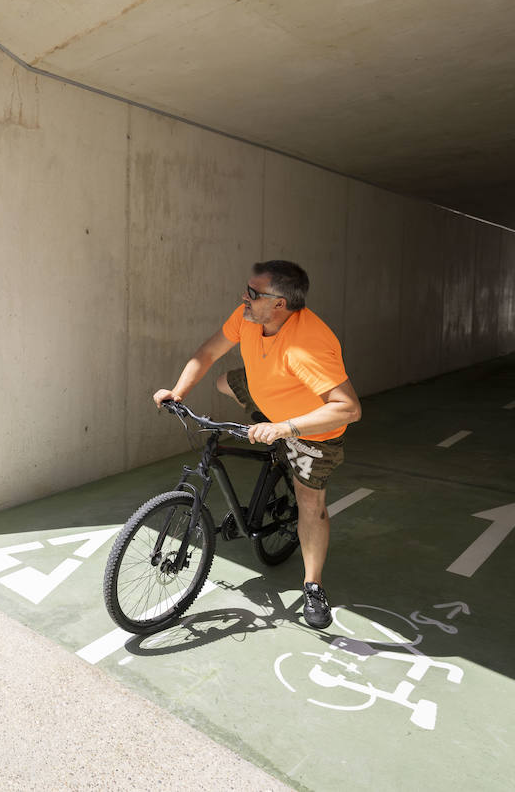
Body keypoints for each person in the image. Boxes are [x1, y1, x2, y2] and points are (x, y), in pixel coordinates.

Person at [152, 260, 362, 629]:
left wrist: (286, 426)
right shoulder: (247, 317)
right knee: (222, 382)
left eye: (253, 293)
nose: (243, 297)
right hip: (272, 395)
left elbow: (349, 409)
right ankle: (271, 426)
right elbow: (207, 352)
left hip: (312, 430)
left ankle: (313, 585)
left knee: (310, 501)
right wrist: (178, 391)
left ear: (279, 304)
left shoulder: (309, 345)